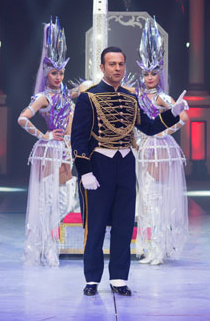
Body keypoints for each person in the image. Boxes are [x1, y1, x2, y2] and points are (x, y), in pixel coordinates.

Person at [72, 47, 188, 297]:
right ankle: (92, 279)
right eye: (112, 64)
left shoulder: (130, 98)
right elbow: (78, 138)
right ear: (102, 67)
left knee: (124, 225)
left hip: (125, 164)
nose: (117, 68)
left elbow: (149, 127)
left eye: (121, 64)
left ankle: (119, 279)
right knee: (95, 226)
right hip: (98, 165)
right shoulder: (88, 97)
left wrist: (173, 113)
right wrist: (84, 172)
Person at [17, 19, 77, 267]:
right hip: (50, 150)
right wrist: (45, 136)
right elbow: (22, 118)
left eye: (61, 73)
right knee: (47, 201)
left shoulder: (65, 96)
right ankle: (46, 248)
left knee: (66, 199)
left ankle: (49, 244)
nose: (58, 77)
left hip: (66, 150)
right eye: (54, 73)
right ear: (46, 73)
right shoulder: (43, 97)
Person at [134, 18, 188, 265]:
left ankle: (158, 249)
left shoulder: (162, 97)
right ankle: (151, 248)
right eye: (146, 74)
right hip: (144, 148)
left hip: (158, 149)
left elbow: (183, 116)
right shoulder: (138, 96)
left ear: (159, 74)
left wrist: (164, 132)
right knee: (146, 198)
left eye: (153, 73)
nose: (149, 78)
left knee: (156, 197)